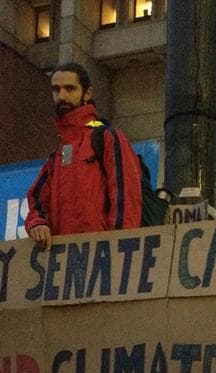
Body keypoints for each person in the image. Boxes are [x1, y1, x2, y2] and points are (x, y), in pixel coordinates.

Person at [25, 62, 142, 249]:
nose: (62, 96)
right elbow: (37, 200)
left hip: (100, 258)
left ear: (87, 93)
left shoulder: (107, 137)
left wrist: (120, 250)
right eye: (56, 89)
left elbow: (126, 200)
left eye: (70, 88)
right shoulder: (58, 154)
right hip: (67, 263)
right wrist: (38, 223)